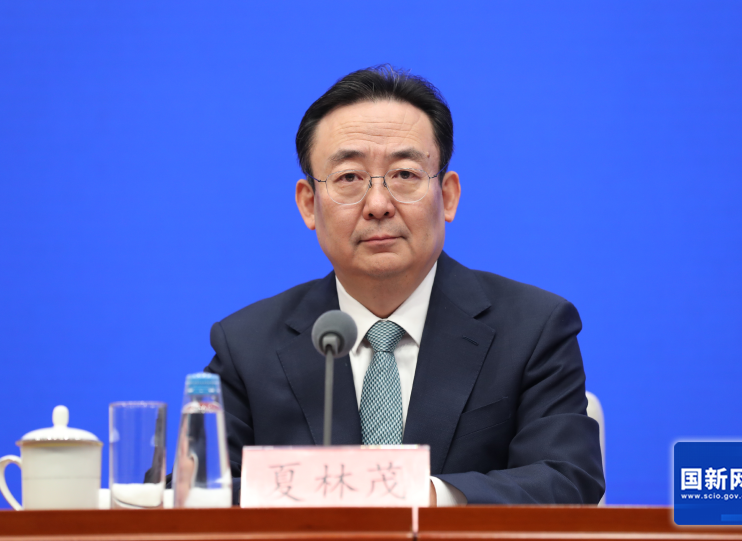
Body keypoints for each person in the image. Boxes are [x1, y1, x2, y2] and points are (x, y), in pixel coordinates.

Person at [204, 65, 605, 506]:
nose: (378, 204)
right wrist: (331, 496)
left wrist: (418, 497)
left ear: (447, 195)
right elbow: (197, 493)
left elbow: (567, 480)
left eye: (405, 175)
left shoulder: (533, 329)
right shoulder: (247, 347)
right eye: (349, 178)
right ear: (308, 204)